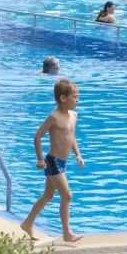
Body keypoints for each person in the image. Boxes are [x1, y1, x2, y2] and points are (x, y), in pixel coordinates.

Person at [20, 79, 84, 243]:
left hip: (63, 162)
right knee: (67, 195)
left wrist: (77, 154)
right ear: (63, 98)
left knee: (48, 196)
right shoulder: (54, 117)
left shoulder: (73, 116)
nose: (77, 100)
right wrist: (40, 158)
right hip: (53, 161)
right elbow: (38, 136)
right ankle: (67, 233)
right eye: (74, 97)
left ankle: (27, 223)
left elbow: (71, 137)